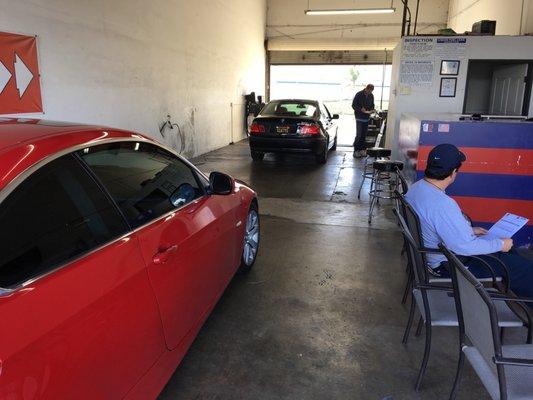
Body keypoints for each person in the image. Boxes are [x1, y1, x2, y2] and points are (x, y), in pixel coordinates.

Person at [405, 143, 533, 298]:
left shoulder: (417, 188)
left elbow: (433, 225)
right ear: (453, 173)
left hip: (436, 255)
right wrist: (500, 244)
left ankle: (515, 291)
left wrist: (470, 230)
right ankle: (525, 307)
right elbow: (464, 247)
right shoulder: (442, 204)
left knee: (509, 254)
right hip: (449, 265)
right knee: (522, 267)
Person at [351, 84, 375, 158]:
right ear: (366, 89)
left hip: (367, 118)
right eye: (369, 91)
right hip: (359, 117)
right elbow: (353, 105)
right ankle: (356, 151)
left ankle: (361, 150)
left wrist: (371, 110)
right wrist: (360, 109)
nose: (370, 92)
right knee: (359, 135)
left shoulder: (371, 95)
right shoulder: (359, 94)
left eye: (371, 91)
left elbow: (372, 105)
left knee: (364, 135)